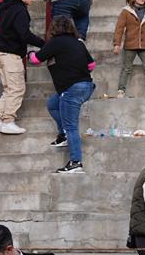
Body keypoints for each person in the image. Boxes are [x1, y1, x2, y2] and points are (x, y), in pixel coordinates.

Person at [31, 14, 97, 174]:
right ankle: (63, 136)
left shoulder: (55, 43)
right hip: (86, 86)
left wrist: (29, 53)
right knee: (52, 105)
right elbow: (92, 65)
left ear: (53, 29)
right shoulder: (78, 43)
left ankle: (76, 162)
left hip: (72, 89)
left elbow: (35, 59)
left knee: (72, 126)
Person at [0, 0, 44, 134]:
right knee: (17, 89)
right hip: (11, 55)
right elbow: (24, 34)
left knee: (8, 89)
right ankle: (8, 121)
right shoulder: (20, 10)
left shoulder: (7, 5)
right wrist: (44, 44)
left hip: (1, 53)